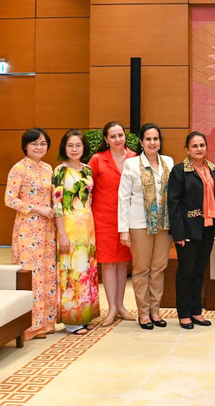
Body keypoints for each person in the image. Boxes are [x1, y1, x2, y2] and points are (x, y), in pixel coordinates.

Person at [118, 123, 174, 330]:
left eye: (156, 139)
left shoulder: (168, 161)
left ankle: (155, 311)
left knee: (159, 268)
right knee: (142, 269)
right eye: (148, 139)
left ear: (160, 142)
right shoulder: (131, 164)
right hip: (139, 224)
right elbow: (123, 198)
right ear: (141, 142)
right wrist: (123, 229)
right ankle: (143, 313)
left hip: (164, 224)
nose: (153, 143)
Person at [4, 128, 57, 341]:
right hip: (28, 229)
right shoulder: (18, 168)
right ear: (25, 146)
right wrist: (37, 209)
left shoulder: (48, 169)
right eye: (34, 143)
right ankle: (30, 325)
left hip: (47, 229)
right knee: (31, 275)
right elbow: (9, 199)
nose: (39, 147)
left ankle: (45, 322)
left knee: (47, 274)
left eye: (43, 143)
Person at [168, 132, 215, 330]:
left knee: (199, 272)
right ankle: (184, 314)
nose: (199, 149)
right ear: (187, 149)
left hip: (207, 228)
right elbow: (173, 204)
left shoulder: (213, 169)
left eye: (202, 145)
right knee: (185, 272)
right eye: (194, 146)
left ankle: (197, 312)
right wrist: (178, 234)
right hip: (188, 230)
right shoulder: (179, 171)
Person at [53, 130, 100, 335]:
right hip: (69, 228)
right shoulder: (60, 171)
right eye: (70, 145)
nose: (74, 149)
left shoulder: (88, 170)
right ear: (64, 148)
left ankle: (86, 315)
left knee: (87, 271)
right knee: (71, 272)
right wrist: (61, 232)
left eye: (78, 146)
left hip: (87, 227)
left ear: (84, 148)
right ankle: (72, 321)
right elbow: (57, 205)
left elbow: (89, 200)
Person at [88, 121, 136, 326]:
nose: (118, 139)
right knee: (108, 263)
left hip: (128, 219)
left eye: (120, 135)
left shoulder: (134, 158)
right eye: (113, 136)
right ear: (106, 139)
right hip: (104, 219)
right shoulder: (97, 160)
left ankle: (121, 305)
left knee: (123, 262)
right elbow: (86, 190)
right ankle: (112, 308)